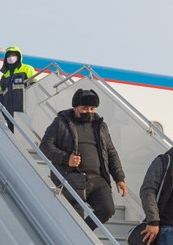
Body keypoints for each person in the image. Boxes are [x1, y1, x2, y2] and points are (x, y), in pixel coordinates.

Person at [38, 89, 128, 229]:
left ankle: (83, 232)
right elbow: (45, 146)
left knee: (107, 210)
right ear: (75, 108)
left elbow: (111, 152)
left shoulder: (100, 126)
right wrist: (66, 158)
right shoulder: (61, 123)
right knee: (75, 219)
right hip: (72, 178)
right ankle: (79, 234)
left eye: (92, 108)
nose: (89, 111)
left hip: (98, 179)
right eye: (84, 108)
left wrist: (119, 178)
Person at [0, 46, 37, 131]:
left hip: (25, 111)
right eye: (8, 56)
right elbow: (0, 96)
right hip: (9, 114)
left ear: (18, 56)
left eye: (13, 55)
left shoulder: (27, 69)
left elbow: (35, 88)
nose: (10, 57)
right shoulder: (4, 76)